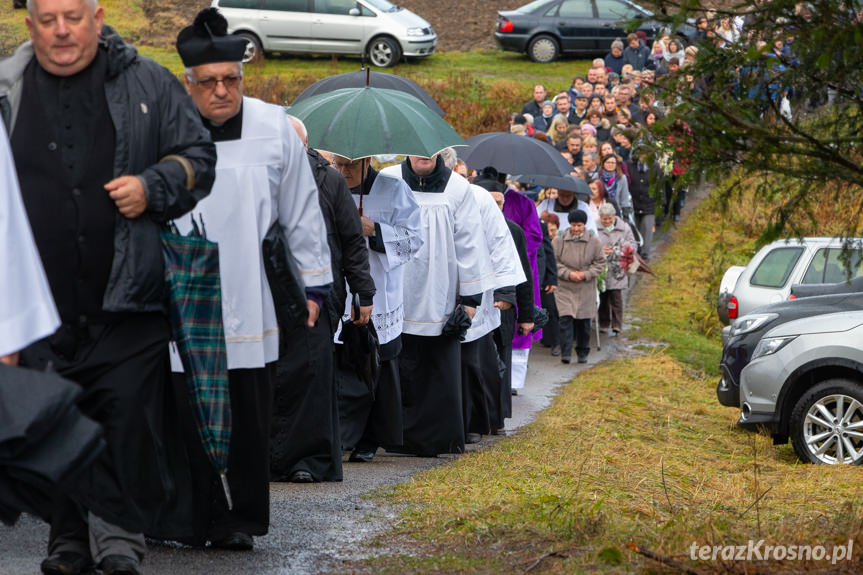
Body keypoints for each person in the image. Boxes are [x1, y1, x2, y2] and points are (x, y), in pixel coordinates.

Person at [3, 0, 218, 573]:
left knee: (124, 422)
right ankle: (68, 539)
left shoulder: (148, 80)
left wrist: (156, 184)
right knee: (55, 424)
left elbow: (199, 156)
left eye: (73, 17)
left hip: (128, 297)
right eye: (48, 20)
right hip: (38, 307)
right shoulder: (7, 89)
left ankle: (120, 541)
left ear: (98, 18)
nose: (62, 31)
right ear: (31, 27)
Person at [173, 8, 331, 550]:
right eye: (209, 82)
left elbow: (301, 211)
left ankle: (240, 519)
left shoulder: (273, 127)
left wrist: (314, 286)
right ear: (188, 83)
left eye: (231, 79)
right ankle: (192, 517)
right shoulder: (164, 127)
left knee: (248, 414)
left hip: (253, 293)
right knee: (184, 410)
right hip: (184, 293)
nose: (222, 91)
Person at [380, 155, 495, 456]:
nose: (423, 155)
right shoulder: (389, 179)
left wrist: (470, 301)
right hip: (395, 288)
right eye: (416, 149)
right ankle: (393, 436)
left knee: (436, 369)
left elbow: (470, 243)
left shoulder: (458, 188)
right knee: (395, 366)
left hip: (439, 291)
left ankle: (435, 439)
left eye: (429, 151)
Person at [329, 153, 422, 463]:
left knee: (375, 366)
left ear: (367, 161)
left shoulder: (394, 190)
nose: (342, 172)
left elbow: (414, 240)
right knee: (340, 364)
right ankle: (339, 434)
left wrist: (375, 230)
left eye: (350, 165)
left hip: (380, 291)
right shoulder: (327, 187)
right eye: (337, 164)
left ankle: (370, 438)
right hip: (337, 289)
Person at [459, 173, 527, 443]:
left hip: (499, 305)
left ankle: (496, 417)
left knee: (496, 364)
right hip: (477, 305)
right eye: (491, 201)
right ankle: (479, 419)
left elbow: (519, 270)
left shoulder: (513, 230)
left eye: (500, 202)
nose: (496, 207)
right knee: (478, 364)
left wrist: (524, 310)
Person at [552, 210, 606, 364]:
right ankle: (566, 353)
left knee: (584, 322)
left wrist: (585, 274)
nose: (576, 229)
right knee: (565, 320)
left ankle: (583, 352)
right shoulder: (559, 240)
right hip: (565, 286)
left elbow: (600, 262)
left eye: (579, 225)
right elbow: (553, 261)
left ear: (584, 225)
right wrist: (568, 273)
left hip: (585, 287)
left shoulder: (594, 241)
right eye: (573, 225)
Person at [596, 203, 637, 337]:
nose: (607, 221)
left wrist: (617, 249)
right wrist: (601, 250)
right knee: (603, 296)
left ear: (614, 216)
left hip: (618, 268)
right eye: (604, 218)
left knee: (616, 297)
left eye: (609, 218)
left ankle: (617, 324)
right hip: (602, 268)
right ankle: (604, 322)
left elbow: (633, 245)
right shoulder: (595, 228)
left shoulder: (624, 228)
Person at [627, 152, 656, 259]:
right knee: (636, 229)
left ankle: (645, 252)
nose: (643, 156)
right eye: (641, 154)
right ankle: (637, 250)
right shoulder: (630, 166)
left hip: (650, 202)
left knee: (647, 228)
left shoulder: (655, 166)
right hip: (634, 202)